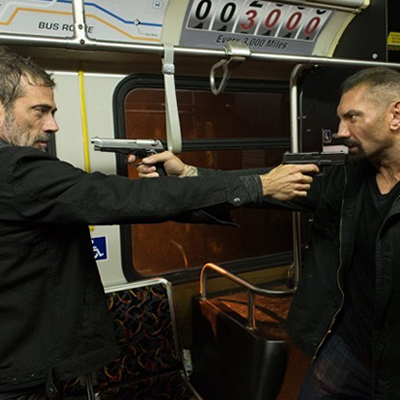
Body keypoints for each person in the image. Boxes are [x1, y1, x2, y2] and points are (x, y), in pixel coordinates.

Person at [0, 46, 318, 400]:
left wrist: (174, 182)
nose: (53, 125)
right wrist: (258, 185)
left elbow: (132, 200)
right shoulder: (15, 169)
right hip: (20, 375)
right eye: (40, 111)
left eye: (53, 112)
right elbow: (120, 199)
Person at [137, 66, 400, 399]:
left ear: (396, 115)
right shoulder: (346, 177)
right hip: (349, 346)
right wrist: (188, 173)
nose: (340, 132)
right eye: (340, 119)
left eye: (352, 117)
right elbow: (269, 186)